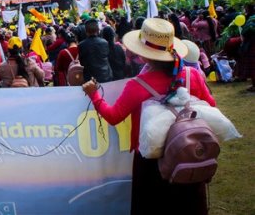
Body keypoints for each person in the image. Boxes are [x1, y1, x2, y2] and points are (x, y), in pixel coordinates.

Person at [82, 18, 216, 215]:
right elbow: (211, 107)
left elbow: (113, 116)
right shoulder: (191, 76)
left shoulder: (138, 85)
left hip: (150, 159)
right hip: (189, 152)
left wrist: (94, 94)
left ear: (144, 56)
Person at [78, 18, 113, 83]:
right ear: (98, 30)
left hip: (90, 79)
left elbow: (82, 63)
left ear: (86, 31)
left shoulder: (81, 45)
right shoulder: (104, 42)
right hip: (105, 76)